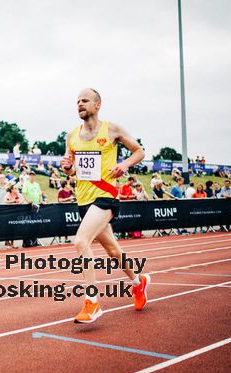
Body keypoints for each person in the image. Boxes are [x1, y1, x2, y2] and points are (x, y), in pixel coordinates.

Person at [60, 88, 148, 324]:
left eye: (85, 100)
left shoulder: (112, 129)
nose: (80, 103)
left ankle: (92, 302)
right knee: (113, 251)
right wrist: (66, 165)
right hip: (83, 199)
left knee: (80, 241)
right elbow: (71, 169)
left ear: (97, 105)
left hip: (106, 196)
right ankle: (139, 282)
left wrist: (124, 165)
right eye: (77, 100)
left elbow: (139, 152)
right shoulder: (72, 136)